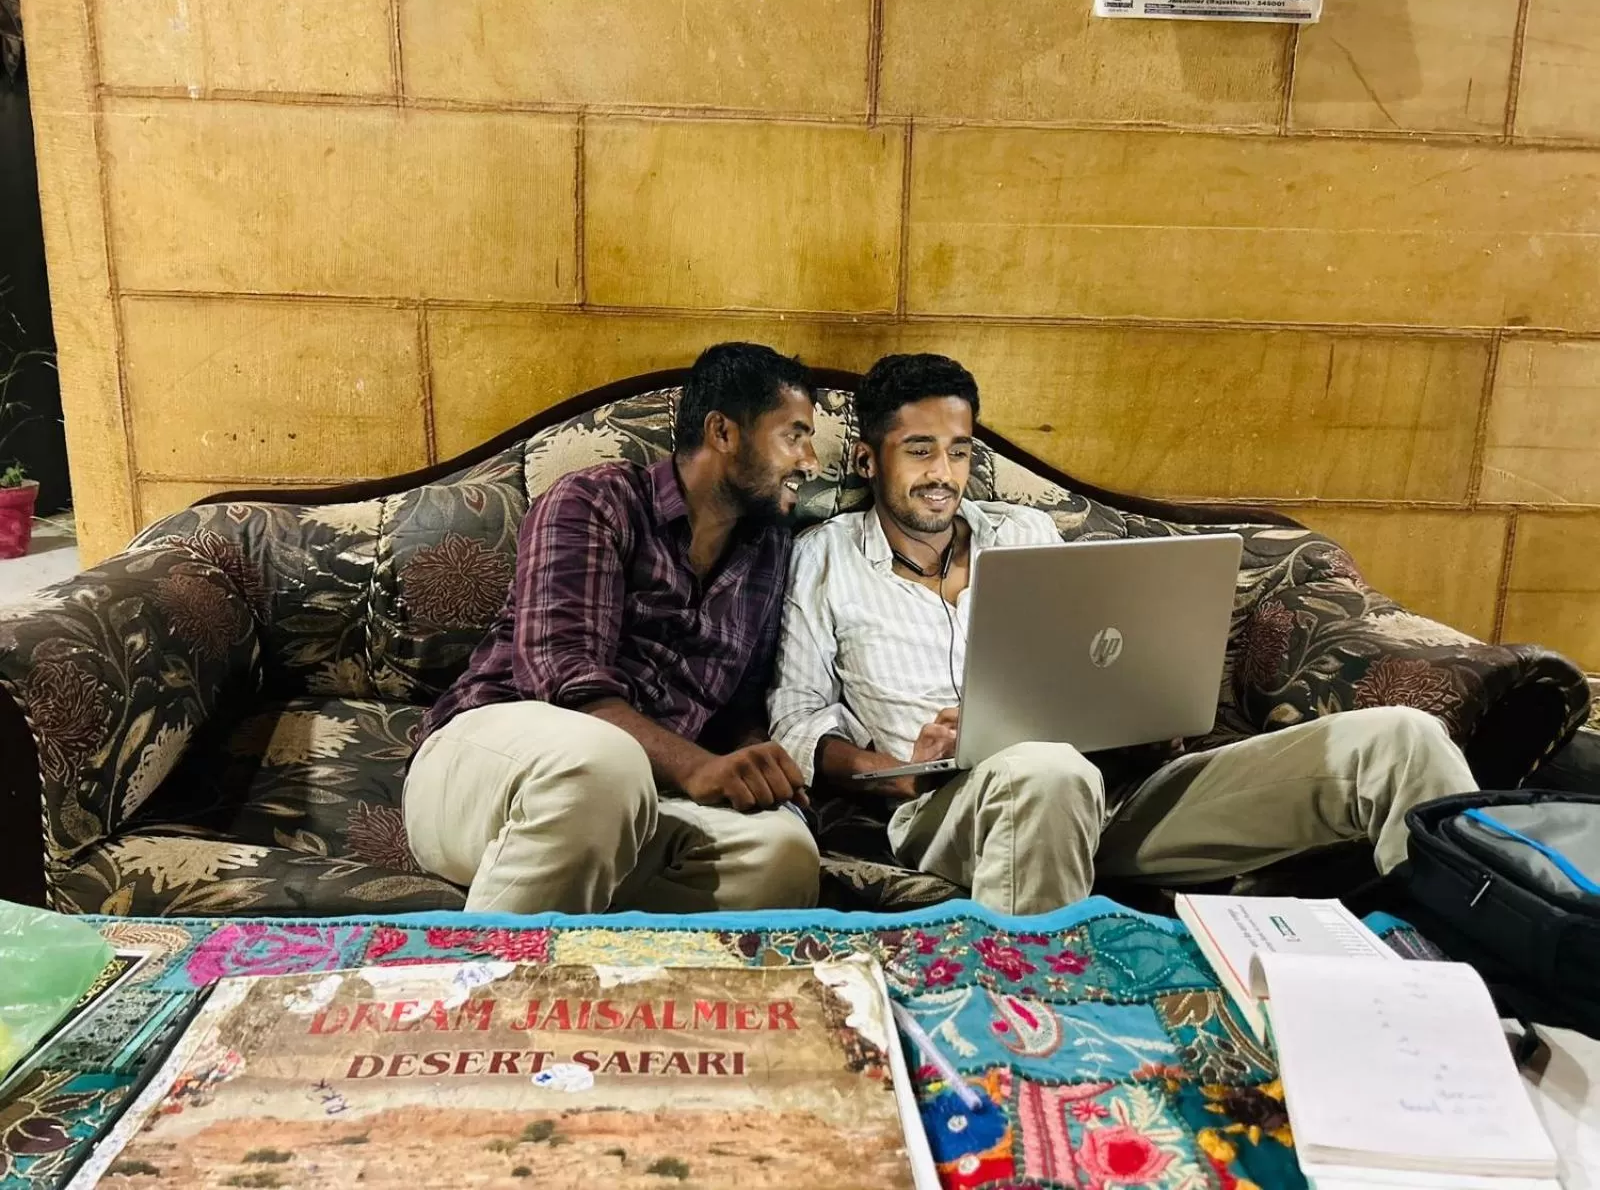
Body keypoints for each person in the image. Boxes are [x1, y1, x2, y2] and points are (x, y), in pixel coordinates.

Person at [768, 353, 1480, 916]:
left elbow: (1094, 651)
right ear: (869, 460)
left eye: (957, 452)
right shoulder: (824, 556)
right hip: (953, 808)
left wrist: (1147, 706)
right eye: (919, 450)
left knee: (1400, 739)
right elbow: (797, 720)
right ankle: (1038, 1041)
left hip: (1117, 795)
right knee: (1048, 772)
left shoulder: (1022, 533)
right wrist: (895, 769)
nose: (942, 475)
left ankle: (1478, 985)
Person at [405, 342, 823, 915]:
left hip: (640, 799)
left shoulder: (768, 550)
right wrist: (697, 767)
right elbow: (563, 680)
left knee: (782, 854)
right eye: (793, 435)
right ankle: (490, 986)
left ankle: (638, 996)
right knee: (604, 765)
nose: (811, 461)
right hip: (488, 767)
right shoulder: (595, 501)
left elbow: (738, 707)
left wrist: (760, 769)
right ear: (723, 432)